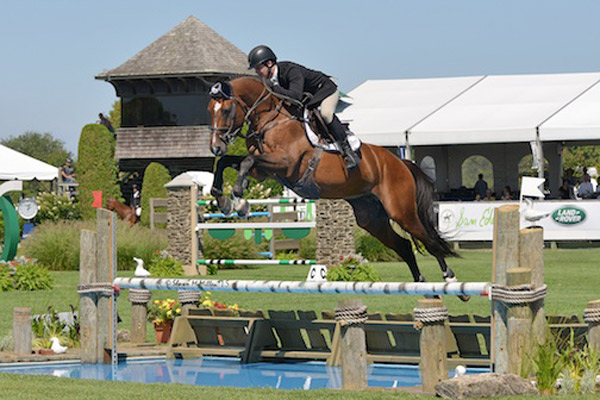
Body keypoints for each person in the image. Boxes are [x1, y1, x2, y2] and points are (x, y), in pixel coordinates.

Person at [247, 45, 361, 170]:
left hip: (325, 90)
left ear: (269, 63)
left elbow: (295, 96)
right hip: (309, 98)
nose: (257, 72)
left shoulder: (290, 70)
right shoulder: (270, 79)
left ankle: (348, 150)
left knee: (326, 114)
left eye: (258, 68)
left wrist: (274, 88)